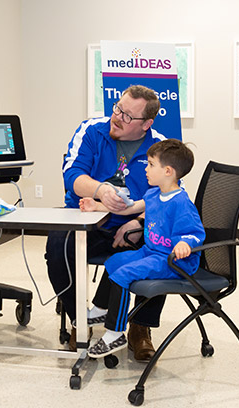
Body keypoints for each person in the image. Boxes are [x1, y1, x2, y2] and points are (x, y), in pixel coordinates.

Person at [44, 84, 167, 360]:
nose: (117, 117)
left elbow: (166, 196)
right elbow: (72, 174)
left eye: (127, 116)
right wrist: (100, 190)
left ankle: (140, 326)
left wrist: (138, 222)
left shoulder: (160, 146)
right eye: (117, 109)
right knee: (57, 247)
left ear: (146, 124)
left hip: (131, 224)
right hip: (87, 221)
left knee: (160, 243)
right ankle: (80, 319)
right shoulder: (90, 130)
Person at [81, 139, 205, 357]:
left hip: (173, 261)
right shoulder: (154, 193)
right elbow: (130, 209)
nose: (145, 169)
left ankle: (115, 333)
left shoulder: (181, 202)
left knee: (123, 275)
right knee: (113, 262)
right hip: (152, 252)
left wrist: (185, 243)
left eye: (150, 164)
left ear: (167, 171)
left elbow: (195, 233)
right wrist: (98, 206)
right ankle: (101, 310)